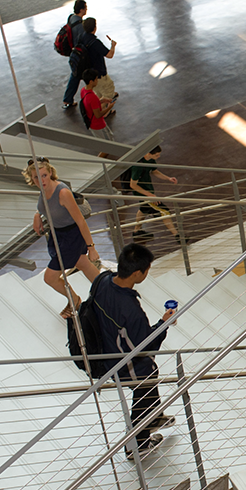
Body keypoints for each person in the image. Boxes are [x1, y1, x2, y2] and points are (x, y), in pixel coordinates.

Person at [93, 243, 176, 459]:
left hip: (106, 347)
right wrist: (164, 323)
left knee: (150, 380)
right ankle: (136, 444)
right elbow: (146, 346)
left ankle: (155, 416)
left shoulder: (102, 281)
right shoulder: (131, 311)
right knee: (143, 387)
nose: (147, 273)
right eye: (147, 270)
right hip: (124, 362)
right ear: (138, 273)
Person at [25, 158, 100, 318]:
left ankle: (75, 300)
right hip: (57, 233)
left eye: (44, 175)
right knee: (83, 263)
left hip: (71, 236)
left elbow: (80, 220)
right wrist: (37, 214)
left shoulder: (63, 193)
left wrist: (91, 247)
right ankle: (109, 290)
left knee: (50, 278)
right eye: (36, 177)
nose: (41, 180)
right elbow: (45, 205)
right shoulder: (44, 188)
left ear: (50, 173)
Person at [129, 146, 180, 242]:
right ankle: (178, 236)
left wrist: (168, 178)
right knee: (164, 211)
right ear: (148, 153)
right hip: (143, 194)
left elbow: (154, 171)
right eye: (156, 155)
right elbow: (133, 185)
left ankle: (137, 232)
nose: (159, 156)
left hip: (148, 192)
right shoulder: (137, 166)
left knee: (143, 210)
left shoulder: (150, 160)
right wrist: (150, 195)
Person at [80, 17, 117, 103]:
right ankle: (104, 111)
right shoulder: (95, 42)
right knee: (108, 88)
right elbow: (110, 55)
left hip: (88, 70)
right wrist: (113, 46)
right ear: (94, 28)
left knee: (97, 90)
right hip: (99, 72)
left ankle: (99, 103)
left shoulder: (82, 37)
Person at [62, 0, 88, 110]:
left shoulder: (71, 18)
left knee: (75, 75)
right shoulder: (80, 26)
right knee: (89, 75)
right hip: (80, 54)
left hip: (74, 54)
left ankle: (68, 99)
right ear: (81, 10)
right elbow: (83, 41)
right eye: (85, 8)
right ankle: (100, 96)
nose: (87, 9)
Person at [80, 69, 117, 141]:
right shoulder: (92, 97)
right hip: (98, 125)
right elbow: (98, 115)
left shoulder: (83, 90)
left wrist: (101, 101)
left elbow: (89, 104)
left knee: (109, 139)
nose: (97, 81)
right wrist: (109, 107)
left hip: (92, 123)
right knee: (108, 144)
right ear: (91, 81)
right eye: (96, 79)